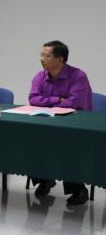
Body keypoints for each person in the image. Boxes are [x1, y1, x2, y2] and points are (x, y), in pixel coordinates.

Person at [29, 40, 92, 205]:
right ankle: (45, 180)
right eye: (41, 55)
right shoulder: (40, 76)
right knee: (30, 139)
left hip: (75, 125)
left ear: (60, 59)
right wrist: (56, 99)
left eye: (47, 56)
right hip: (48, 124)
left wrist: (46, 103)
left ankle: (78, 189)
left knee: (66, 145)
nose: (42, 59)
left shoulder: (78, 76)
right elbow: (33, 99)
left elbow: (73, 103)